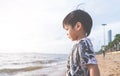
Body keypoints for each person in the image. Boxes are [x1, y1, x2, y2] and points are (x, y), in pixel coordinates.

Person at [62, 9, 100, 76]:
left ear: (78, 26)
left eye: (67, 29)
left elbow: (93, 67)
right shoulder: (77, 45)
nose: (66, 33)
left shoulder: (84, 43)